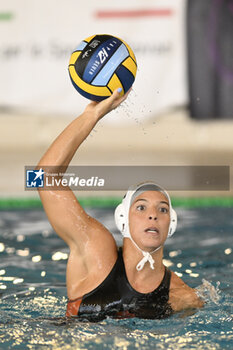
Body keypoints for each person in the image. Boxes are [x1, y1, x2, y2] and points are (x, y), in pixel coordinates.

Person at [37, 88, 204, 321]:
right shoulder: (96, 252)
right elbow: (43, 178)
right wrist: (91, 116)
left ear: (172, 223)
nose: (153, 215)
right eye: (141, 207)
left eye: (163, 209)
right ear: (122, 219)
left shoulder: (182, 297)